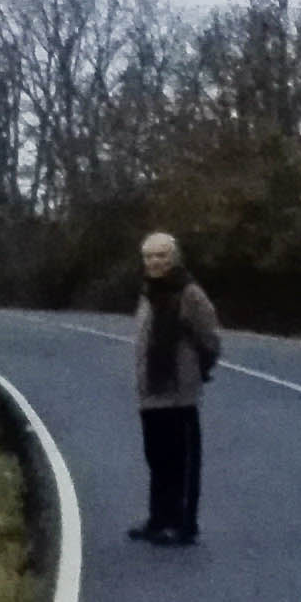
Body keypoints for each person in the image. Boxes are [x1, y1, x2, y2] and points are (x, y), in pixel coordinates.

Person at [130, 232, 221, 543]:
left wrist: (196, 371)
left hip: (180, 394)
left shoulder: (189, 294)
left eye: (162, 256)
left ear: (175, 258)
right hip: (151, 392)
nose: (155, 262)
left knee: (180, 461)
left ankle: (182, 524)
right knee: (156, 458)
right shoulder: (147, 294)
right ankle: (158, 518)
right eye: (149, 256)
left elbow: (210, 338)